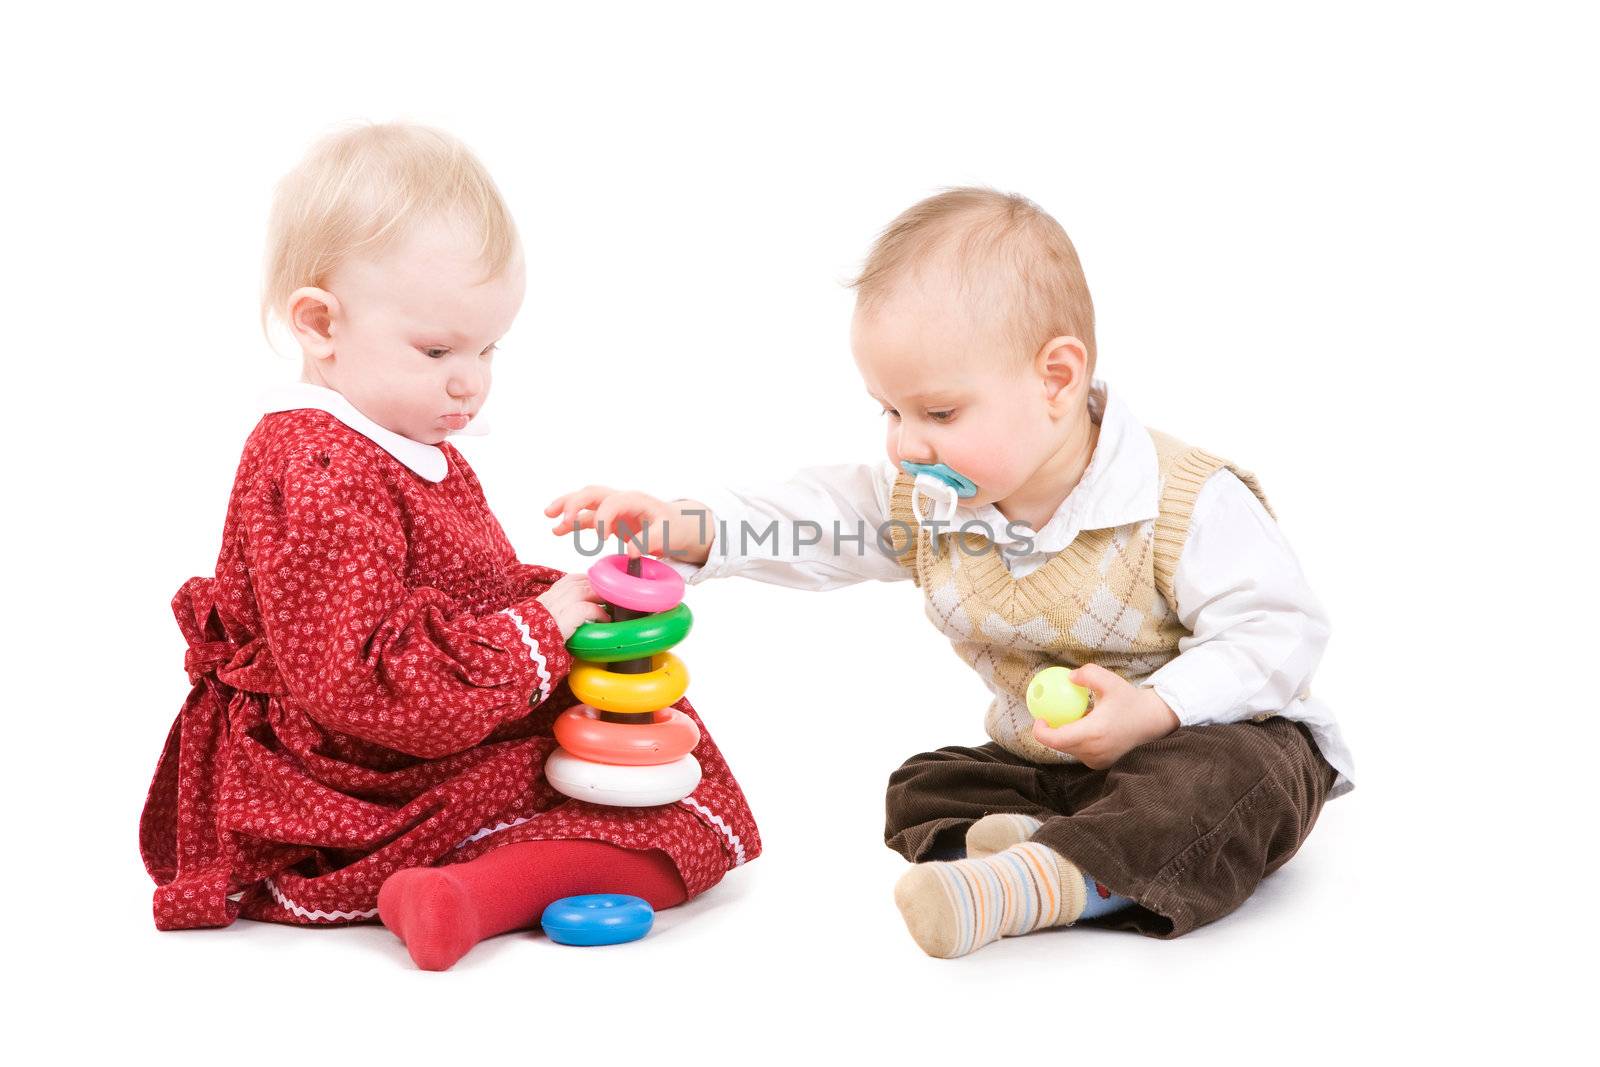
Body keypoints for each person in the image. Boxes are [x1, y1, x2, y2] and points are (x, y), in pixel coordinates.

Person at [547, 187, 1349, 958]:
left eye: (937, 413)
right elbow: (818, 516)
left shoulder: (1180, 502)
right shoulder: (935, 502)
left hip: (1210, 741)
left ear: (1057, 380)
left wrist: (1156, 709)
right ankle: (1051, 852)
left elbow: (1280, 631)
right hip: (1059, 767)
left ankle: (1043, 879)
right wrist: (683, 527)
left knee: (1229, 779)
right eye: (889, 411)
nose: (907, 444)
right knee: (923, 785)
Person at [138, 123, 759, 970]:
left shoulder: (392, 432)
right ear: (322, 324)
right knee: (648, 815)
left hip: (419, 727)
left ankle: (481, 884)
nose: (471, 378)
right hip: (356, 772)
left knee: (646, 755)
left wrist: (566, 600)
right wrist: (536, 631)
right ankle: (474, 895)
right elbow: (364, 681)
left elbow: (458, 588)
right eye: (437, 349)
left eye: (487, 346)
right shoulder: (317, 466)